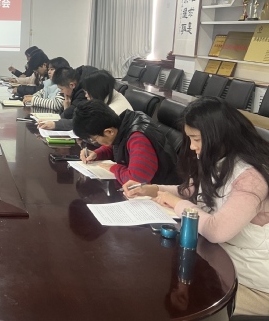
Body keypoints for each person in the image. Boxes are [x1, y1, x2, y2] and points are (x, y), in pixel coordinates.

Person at [123, 97, 269, 316]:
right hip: (223, 261)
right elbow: (190, 190)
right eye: (190, 139)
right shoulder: (219, 158)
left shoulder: (251, 178)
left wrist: (177, 204)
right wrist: (152, 189)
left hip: (255, 282)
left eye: (196, 139)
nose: (192, 147)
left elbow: (217, 230)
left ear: (218, 136)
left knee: (191, 305)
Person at [73, 99, 179, 185]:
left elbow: (136, 181)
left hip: (164, 193)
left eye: (94, 139)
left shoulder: (138, 139)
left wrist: (113, 168)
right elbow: (118, 146)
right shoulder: (123, 124)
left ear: (109, 131)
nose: (95, 142)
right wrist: (97, 153)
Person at [37, 65, 96, 130]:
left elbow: (75, 120)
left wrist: (55, 124)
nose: (61, 92)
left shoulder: (83, 93)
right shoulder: (72, 90)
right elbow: (61, 115)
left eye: (61, 89)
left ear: (72, 85)